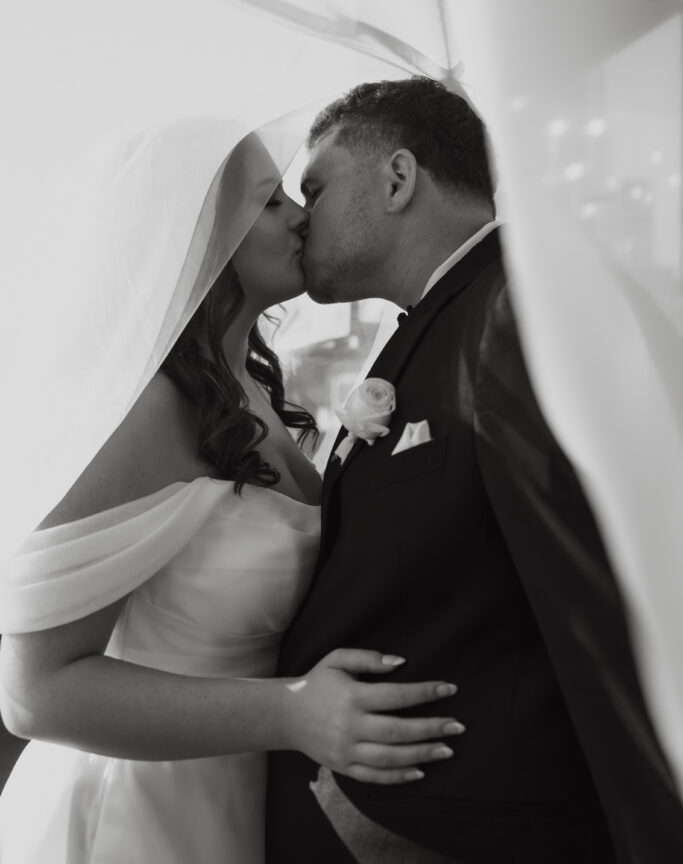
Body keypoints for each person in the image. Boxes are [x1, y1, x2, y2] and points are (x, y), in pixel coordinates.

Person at [0, 121, 465, 864]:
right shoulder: (148, 411)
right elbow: (35, 692)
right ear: (195, 230)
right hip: (130, 819)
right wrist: (290, 714)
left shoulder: (249, 390)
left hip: (236, 803)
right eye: (270, 199)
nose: (299, 214)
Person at [266, 77, 683, 863]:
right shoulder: (442, 320)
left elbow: (596, 601)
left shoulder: (519, 312)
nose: (301, 217)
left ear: (396, 179)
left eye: (315, 187)